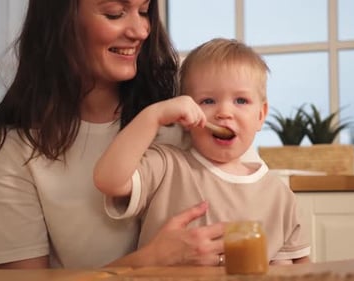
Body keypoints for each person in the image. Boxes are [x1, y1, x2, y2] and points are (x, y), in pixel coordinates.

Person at [0, 0, 240, 269]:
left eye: (145, 12)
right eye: (115, 13)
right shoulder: (10, 146)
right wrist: (151, 261)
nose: (141, 31)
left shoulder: (190, 106)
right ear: (60, 21)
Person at [94, 38, 311, 265]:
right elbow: (108, 180)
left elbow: (298, 268)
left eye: (241, 100)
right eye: (208, 100)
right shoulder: (166, 166)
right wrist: (155, 115)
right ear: (186, 115)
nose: (224, 112)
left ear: (261, 115)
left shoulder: (279, 195)